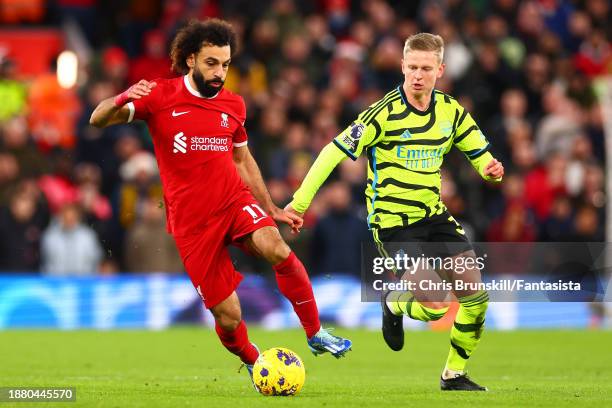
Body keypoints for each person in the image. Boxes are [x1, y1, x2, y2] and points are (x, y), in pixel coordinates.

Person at [89, 18, 351, 386]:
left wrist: (272, 208)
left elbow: (242, 160)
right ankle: (253, 359)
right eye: (212, 63)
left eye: (225, 64)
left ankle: (315, 332)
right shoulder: (160, 96)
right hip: (192, 223)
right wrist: (122, 97)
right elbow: (97, 119)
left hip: (232, 201)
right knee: (228, 316)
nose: (220, 72)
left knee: (275, 245)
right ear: (192, 59)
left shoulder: (234, 104)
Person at [287, 33, 504, 391]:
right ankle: (393, 302)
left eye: (426, 68)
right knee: (435, 305)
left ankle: (454, 374)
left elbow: (480, 156)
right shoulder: (382, 114)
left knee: (476, 298)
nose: (418, 75)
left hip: (434, 216)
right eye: (412, 67)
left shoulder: (451, 112)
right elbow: (333, 151)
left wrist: (490, 170)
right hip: (393, 225)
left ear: (440, 70)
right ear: (402, 67)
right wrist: (300, 202)